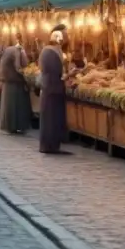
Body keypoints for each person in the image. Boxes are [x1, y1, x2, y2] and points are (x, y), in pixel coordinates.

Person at [38, 26, 69, 155]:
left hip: (49, 88)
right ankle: (50, 145)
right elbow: (57, 73)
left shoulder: (47, 51)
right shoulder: (52, 52)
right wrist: (69, 75)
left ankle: (50, 144)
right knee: (52, 117)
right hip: (53, 88)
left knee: (49, 117)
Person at [0, 35, 31, 135]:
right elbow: (18, 67)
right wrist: (27, 74)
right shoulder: (16, 50)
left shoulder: (8, 50)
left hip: (8, 81)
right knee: (17, 105)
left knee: (9, 105)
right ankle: (16, 125)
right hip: (15, 81)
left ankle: (10, 126)